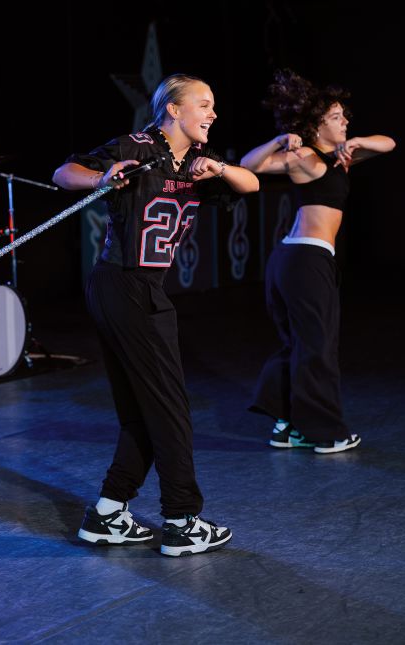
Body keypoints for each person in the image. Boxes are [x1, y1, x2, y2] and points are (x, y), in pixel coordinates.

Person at [53, 74, 258, 556]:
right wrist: (102, 177)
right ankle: (182, 519)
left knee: (144, 411)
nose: (212, 113)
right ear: (173, 110)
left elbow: (250, 184)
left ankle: (107, 512)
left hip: (133, 289)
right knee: (170, 409)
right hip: (125, 284)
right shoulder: (138, 146)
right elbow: (65, 173)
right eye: (204, 104)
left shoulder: (196, 165)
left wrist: (220, 169)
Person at [241, 69, 395, 454]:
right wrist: (278, 141)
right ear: (316, 125)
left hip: (298, 260)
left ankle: (287, 424)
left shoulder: (339, 157)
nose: (345, 122)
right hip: (304, 260)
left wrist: (356, 141)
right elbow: (249, 165)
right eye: (337, 118)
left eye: (345, 117)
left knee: (301, 344)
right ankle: (325, 432)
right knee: (318, 347)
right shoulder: (306, 156)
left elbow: (389, 143)